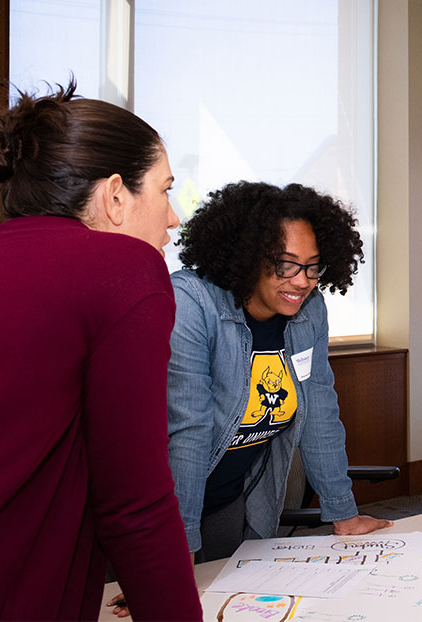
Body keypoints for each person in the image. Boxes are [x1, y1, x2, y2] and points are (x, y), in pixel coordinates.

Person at [0, 83, 201, 619]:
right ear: (115, 196)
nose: (173, 217)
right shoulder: (123, 270)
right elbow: (134, 505)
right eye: (164, 190)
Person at [167, 181, 392, 562]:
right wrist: (177, 546)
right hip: (162, 512)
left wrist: (343, 513)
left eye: (312, 266)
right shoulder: (192, 303)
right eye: (286, 265)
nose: (302, 281)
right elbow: (188, 431)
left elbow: (319, 410)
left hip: (230, 502)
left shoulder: (309, 311)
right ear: (247, 256)